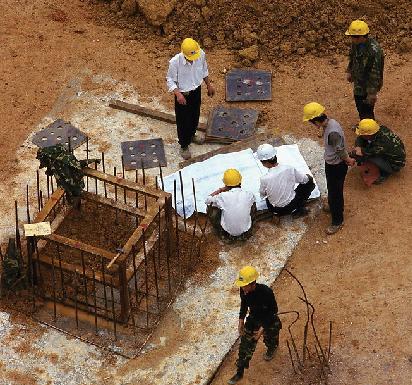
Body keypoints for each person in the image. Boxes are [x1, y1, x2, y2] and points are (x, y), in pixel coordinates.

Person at [303, 102, 355, 235]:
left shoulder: (332, 133)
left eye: (311, 121)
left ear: (315, 120)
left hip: (336, 166)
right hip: (332, 164)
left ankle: (337, 221)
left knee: (336, 193)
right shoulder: (330, 123)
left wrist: (348, 160)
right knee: (332, 189)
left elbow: (340, 150)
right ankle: (332, 207)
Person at [228, 266, 282, 384]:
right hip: (254, 318)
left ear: (253, 284)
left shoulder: (266, 292)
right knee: (245, 345)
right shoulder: (243, 290)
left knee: (271, 338)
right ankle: (239, 372)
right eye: (242, 285)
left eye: (245, 285)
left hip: (269, 318)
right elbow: (244, 305)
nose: (242, 288)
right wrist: (241, 321)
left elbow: (273, 310)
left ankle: (272, 347)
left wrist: (262, 330)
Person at [166, 38, 215, 160]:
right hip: (183, 94)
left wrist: (208, 85)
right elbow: (170, 80)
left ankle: (192, 134)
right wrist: (178, 94)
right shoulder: (175, 62)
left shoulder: (200, 54)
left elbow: (204, 70)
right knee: (183, 121)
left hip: (196, 91)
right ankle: (184, 145)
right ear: (184, 53)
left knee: (194, 115)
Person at [255, 143, 315, 218]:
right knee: (309, 182)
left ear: (265, 162)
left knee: (268, 197)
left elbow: (262, 194)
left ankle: (276, 215)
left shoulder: (264, 179)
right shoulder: (289, 169)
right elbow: (304, 180)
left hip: (275, 210)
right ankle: (298, 209)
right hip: (292, 205)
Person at [345, 19, 384, 120]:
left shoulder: (374, 51)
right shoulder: (356, 43)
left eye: (354, 37)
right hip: (359, 80)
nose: (352, 39)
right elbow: (353, 56)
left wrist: (372, 93)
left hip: (370, 84)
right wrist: (350, 71)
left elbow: (374, 74)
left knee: (367, 108)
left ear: (362, 36)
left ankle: (369, 130)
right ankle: (364, 124)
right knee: (359, 103)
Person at [205, 169, 256, 241]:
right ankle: (248, 227)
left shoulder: (222, 196)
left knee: (210, 207)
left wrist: (220, 190)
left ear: (226, 184)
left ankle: (221, 231)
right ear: (240, 181)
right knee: (252, 203)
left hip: (228, 231)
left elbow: (207, 200)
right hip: (246, 229)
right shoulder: (249, 194)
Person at [352, 119, 406, 184]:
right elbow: (360, 138)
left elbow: (366, 152)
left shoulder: (381, 144)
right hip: (386, 152)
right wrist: (358, 147)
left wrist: (357, 152)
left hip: (394, 164)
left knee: (368, 157)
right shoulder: (380, 129)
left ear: (369, 135)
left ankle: (383, 174)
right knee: (361, 143)